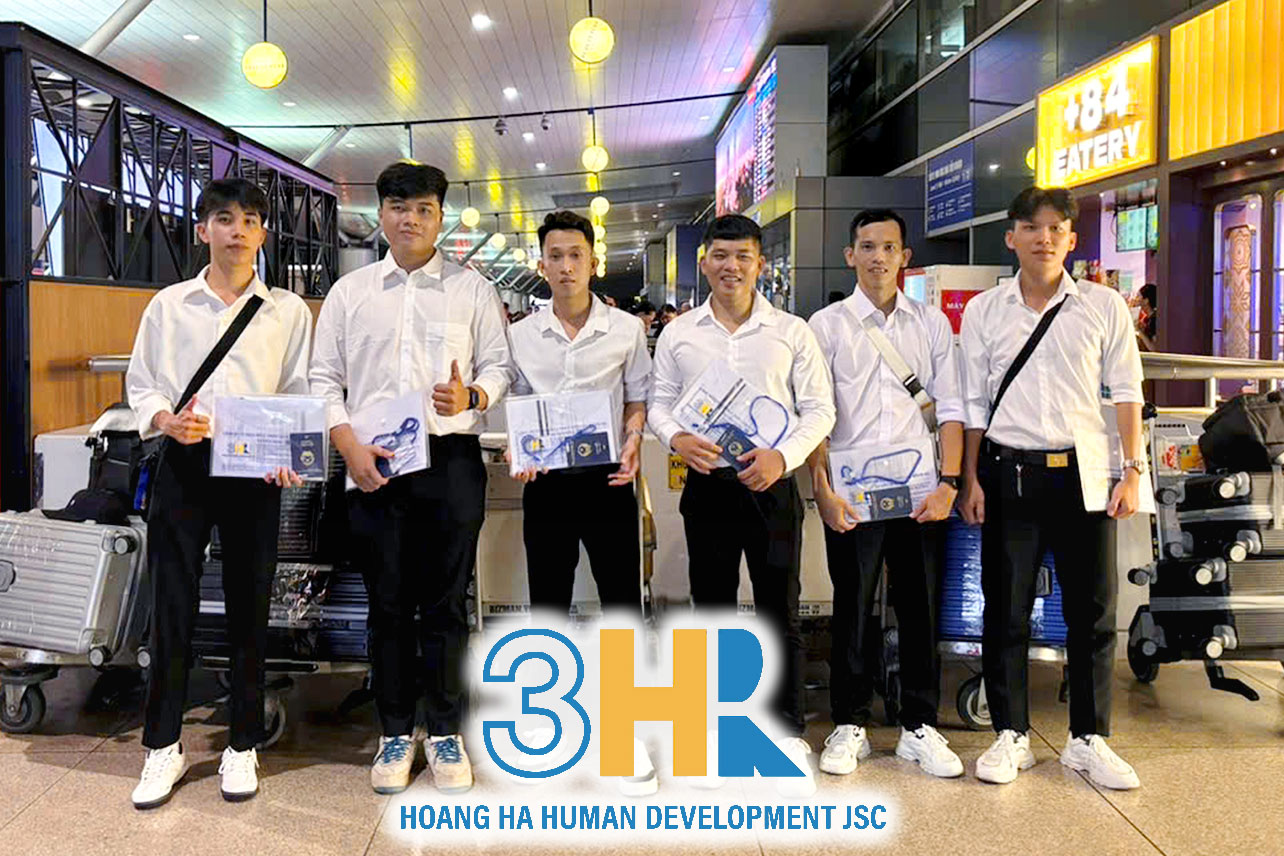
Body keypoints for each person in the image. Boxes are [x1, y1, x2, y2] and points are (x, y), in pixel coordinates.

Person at [310, 161, 514, 796]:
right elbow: (323, 379)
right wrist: (347, 445)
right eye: (399, 208)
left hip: (449, 458)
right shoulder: (350, 293)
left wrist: (474, 395)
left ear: (439, 217)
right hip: (373, 460)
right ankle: (396, 730)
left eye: (424, 209)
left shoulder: (471, 290)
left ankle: (446, 730)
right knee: (388, 602)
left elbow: (500, 365)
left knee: (446, 603)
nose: (411, 220)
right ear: (380, 215)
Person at [126, 178, 313, 809]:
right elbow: (143, 384)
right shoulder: (169, 306)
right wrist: (164, 420)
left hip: (254, 467)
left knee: (250, 601)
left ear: (263, 234)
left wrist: (289, 453)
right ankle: (162, 745)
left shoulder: (286, 311)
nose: (238, 230)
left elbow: (297, 390)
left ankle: (242, 744)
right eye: (225, 219)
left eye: (251, 220)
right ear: (203, 228)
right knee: (171, 602)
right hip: (185, 459)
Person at [958, 186, 1144, 790]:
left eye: (1056, 228)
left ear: (1072, 239)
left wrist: (1133, 469)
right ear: (1011, 236)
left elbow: (1127, 392)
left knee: (1093, 611)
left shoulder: (1103, 306)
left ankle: (1089, 738)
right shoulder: (985, 310)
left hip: (1084, 475)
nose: (1044, 238)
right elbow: (972, 402)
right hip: (1008, 473)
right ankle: (1010, 734)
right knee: (1005, 608)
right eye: (1032, 227)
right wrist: (968, 477)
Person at [649, 213, 835, 796]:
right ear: (704, 261)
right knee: (711, 608)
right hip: (708, 484)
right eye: (721, 255)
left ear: (759, 264)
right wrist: (676, 438)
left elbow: (819, 409)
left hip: (771, 485)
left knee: (780, 608)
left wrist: (784, 457)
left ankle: (786, 730)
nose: (731, 266)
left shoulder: (791, 331)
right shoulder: (680, 334)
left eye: (743, 256)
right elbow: (659, 403)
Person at [806, 209, 965, 780]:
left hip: (921, 491)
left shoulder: (931, 324)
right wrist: (822, 490)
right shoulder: (825, 326)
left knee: (921, 605)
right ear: (850, 255)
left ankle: (919, 724)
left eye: (889, 247)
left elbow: (951, 407)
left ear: (905, 257)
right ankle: (850, 722)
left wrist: (949, 483)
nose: (878, 257)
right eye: (867, 246)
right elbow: (816, 415)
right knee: (851, 604)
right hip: (853, 493)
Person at [507, 210, 655, 795]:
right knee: (547, 601)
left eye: (576, 255)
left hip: (608, 480)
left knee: (621, 602)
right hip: (546, 481)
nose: (566, 266)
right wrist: (519, 446)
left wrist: (634, 440)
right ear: (540, 264)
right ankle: (545, 721)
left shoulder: (625, 330)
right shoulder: (521, 335)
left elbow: (638, 398)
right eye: (555, 256)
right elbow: (516, 404)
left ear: (594, 261)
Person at [1135, 283, 1158, 351]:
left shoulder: (1154, 320)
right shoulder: (1148, 319)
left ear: (1146, 300)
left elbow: (1154, 348)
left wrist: (1141, 332)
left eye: (1138, 296)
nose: (1136, 299)